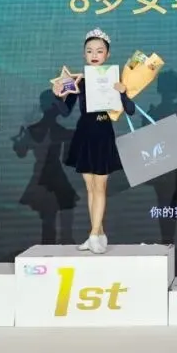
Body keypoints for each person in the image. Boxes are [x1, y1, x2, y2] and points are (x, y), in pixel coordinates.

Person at [52, 29, 134, 254]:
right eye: (89, 51)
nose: (94, 55)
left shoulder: (115, 80)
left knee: (100, 187)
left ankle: (94, 234)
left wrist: (123, 93)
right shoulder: (78, 81)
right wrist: (58, 96)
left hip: (103, 134)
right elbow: (64, 111)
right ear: (84, 54)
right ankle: (97, 233)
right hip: (84, 134)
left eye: (99, 51)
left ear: (107, 54)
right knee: (90, 188)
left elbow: (130, 110)